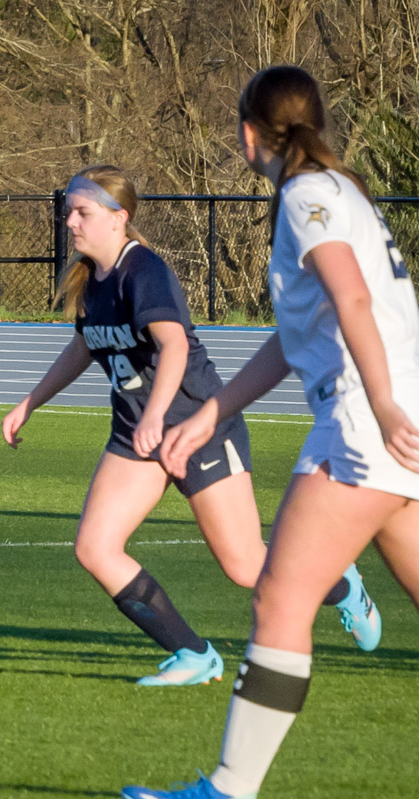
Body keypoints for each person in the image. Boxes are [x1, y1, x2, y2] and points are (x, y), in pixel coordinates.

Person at [121, 65, 419, 799]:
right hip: (388, 414)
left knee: (280, 598)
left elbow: (349, 294)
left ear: (250, 133)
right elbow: (298, 338)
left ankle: (227, 789)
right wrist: (214, 412)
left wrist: (379, 406)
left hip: (364, 422)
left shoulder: (306, 195)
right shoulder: (343, 189)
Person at [1, 164, 379, 688]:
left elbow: (174, 345)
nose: (70, 221)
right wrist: (31, 402)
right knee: (95, 548)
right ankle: (194, 654)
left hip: (197, 426)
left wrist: (157, 415)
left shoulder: (145, 270)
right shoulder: (92, 278)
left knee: (246, 567)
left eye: (81, 211)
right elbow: (86, 345)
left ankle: (342, 585)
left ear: (118, 217)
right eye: (68, 211)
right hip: (139, 436)